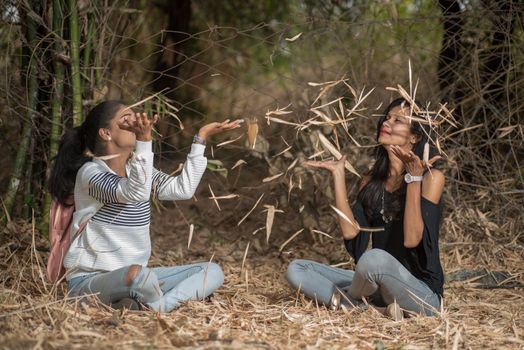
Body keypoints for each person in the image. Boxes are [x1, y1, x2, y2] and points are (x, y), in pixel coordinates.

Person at [49, 100, 242, 312]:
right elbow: (134, 192)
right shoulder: (91, 175)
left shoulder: (137, 170)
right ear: (106, 134)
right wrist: (144, 142)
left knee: (211, 271)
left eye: (135, 117)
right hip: (90, 281)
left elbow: (182, 189)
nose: (135, 123)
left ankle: (154, 307)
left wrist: (200, 139)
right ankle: (149, 300)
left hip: (137, 277)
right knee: (139, 277)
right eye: (126, 120)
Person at [286, 97, 445, 319]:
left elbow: (411, 239)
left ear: (414, 136)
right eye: (387, 117)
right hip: (378, 286)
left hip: (420, 294)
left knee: (373, 260)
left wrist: (414, 177)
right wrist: (338, 176)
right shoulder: (371, 181)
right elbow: (352, 232)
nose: (386, 123)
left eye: (397, 120)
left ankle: (354, 304)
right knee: (297, 269)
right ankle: (371, 310)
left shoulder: (431, 178)